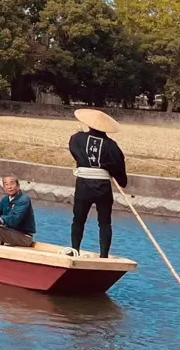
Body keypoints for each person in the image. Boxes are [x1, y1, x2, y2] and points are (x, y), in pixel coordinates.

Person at [70, 108, 128, 258]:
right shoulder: (111, 145)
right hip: (102, 187)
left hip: (83, 185)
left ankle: (75, 250)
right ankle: (104, 255)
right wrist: (121, 179)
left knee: (78, 219)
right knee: (104, 222)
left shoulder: (77, 139)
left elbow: (76, 154)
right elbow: (119, 169)